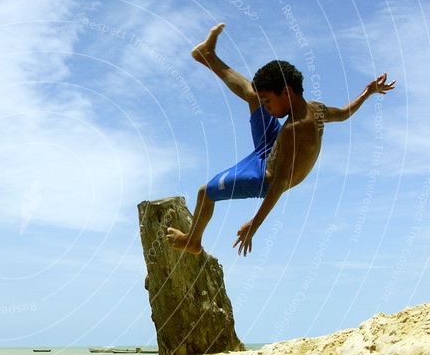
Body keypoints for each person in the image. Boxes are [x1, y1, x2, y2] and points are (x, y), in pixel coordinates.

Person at [165, 23, 395, 257]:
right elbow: (344, 113)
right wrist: (368, 93)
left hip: (265, 177)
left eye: (268, 102)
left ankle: (192, 241)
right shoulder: (316, 109)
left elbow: (279, 185)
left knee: (206, 192)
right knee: (252, 95)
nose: (267, 108)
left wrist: (254, 225)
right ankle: (207, 56)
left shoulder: (295, 130)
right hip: (272, 148)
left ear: (286, 92)